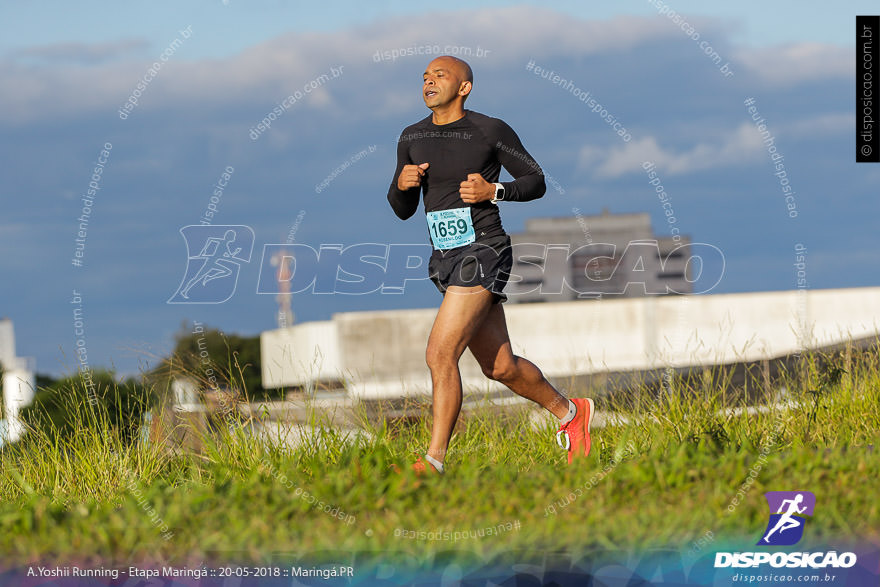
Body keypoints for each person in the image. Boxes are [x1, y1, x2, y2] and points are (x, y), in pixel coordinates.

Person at [386, 56, 594, 474]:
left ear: (464, 87)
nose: (429, 82)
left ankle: (434, 461)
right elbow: (402, 209)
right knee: (500, 366)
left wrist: (492, 190)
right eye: (424, 77)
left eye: (439, 76)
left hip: (484, 249)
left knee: (439, 353)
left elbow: (535, 181)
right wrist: (401, 185)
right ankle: (572, 414)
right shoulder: (411, 136)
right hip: (444, 257)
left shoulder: (489, 130)